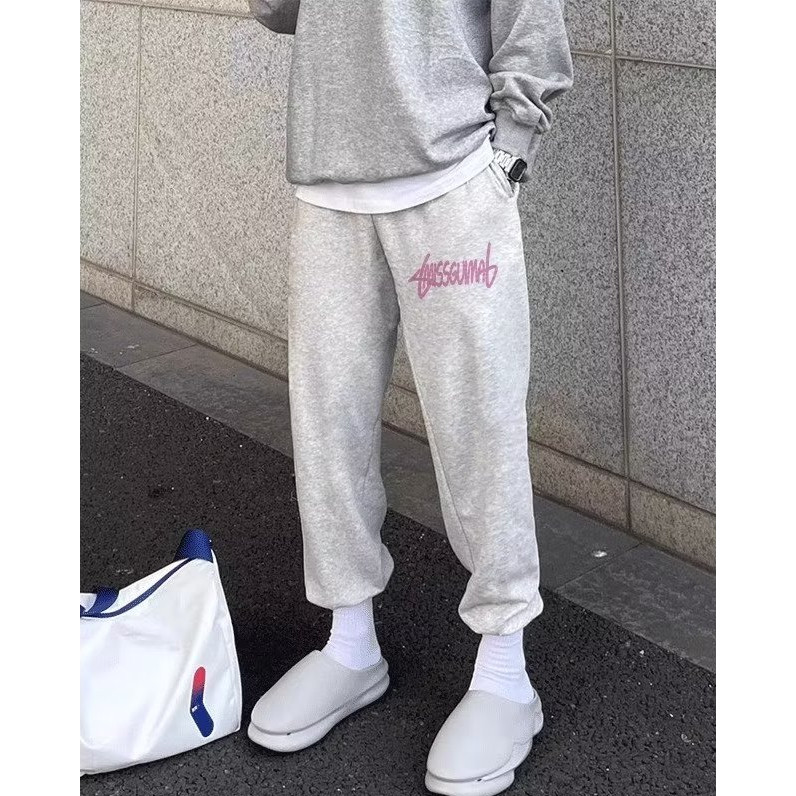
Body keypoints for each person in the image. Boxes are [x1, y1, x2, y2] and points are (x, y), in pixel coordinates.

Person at [247, 2, 573, 794]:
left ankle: (506, 673)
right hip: (327, 179)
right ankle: (350, 642)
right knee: (327, 426)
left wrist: (509, 154)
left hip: (454, 176)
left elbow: (531, 19)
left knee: (478, 428)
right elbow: (279, 11)